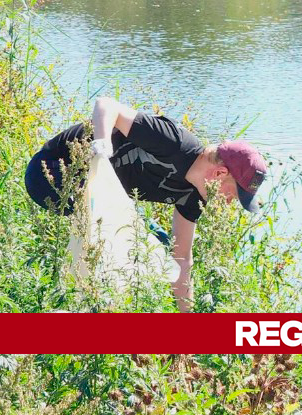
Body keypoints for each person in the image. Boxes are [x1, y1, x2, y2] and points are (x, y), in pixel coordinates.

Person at [25, 96, 266, 312]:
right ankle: (81, 307)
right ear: (219, 173)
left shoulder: (194, 198)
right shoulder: (175, 143)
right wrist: (101, 147)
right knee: (131, 242)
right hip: (51, 174)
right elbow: (106, 105)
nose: (230, 202)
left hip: (95, 197)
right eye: (234, 194)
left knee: (158, 245)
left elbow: (182, 258)